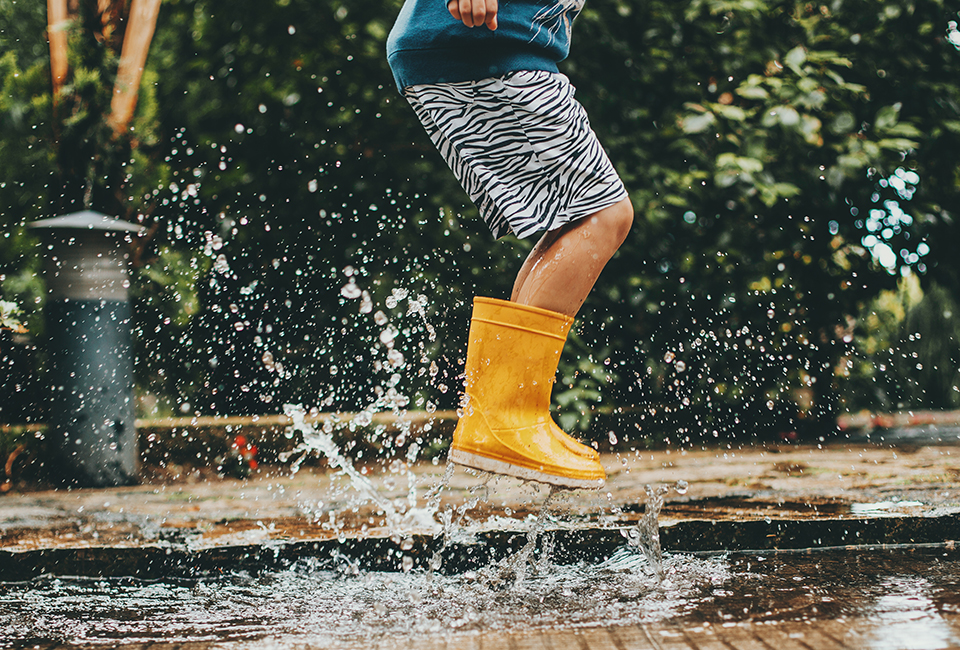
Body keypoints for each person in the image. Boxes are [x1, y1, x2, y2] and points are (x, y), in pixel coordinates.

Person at [387, 0, 633, 488]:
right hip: (482, 49)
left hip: (483, 48)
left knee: (575, 221)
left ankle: (501, 416)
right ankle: (505, 416)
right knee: (605, 215)